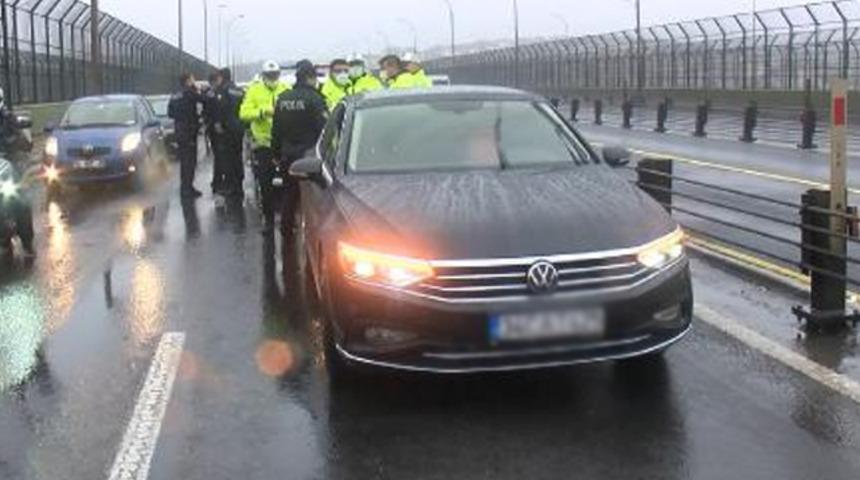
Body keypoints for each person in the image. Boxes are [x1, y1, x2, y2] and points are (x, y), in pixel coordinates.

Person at [271, 62, 327, 240]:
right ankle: (314, 234)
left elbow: (276, 129)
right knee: (313, 196)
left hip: (288, 154)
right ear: (310, 78)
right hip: (310, 156)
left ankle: (286, 229)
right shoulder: (315, 98)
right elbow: (323, 128)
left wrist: (276, 154)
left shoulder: (283, 98)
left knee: (290, 193)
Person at [239, 60, 290, 230]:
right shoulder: (254, 91)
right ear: (263, 76)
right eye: (269, 75)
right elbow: (244, 113)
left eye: (275, 75)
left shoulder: (285, 90)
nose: (272, 78)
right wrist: (262, 112)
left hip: (283, 143)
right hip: (263, 145)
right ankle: (268, 219)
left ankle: (286, 218)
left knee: (288, 182)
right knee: (265, 184)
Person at [208, 68, 245, 198]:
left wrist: (218, 123)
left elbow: (220, 108)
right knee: (238, 156)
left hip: (227, 129)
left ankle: (231, 186)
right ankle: (240, 184)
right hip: (239, 128)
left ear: (222, 77)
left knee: (228, 158)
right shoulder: (240, 90)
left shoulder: (222, 90)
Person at [168, 73, 204, 199]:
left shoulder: (175, 94)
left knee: (184, 161)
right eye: (192, 79)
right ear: (188, 81)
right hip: (189, 131)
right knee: (190, 161)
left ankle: (186, 187)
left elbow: (170, 113)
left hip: (179, 130)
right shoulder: (189, 93)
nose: (194, 81)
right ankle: (187, 189)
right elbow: (203, 99)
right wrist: (197, 89)